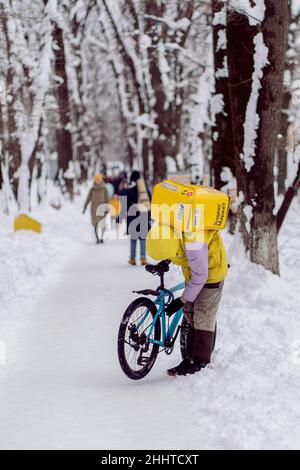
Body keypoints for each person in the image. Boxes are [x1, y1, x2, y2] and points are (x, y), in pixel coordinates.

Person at [147, 223, 228, 377]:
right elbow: (175, 251)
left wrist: (181, 300)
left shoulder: (193, 243)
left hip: (211, 274)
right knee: (189, 312)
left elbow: (201, 276)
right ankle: (190, 359)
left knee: (202, 315)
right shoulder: (171, 231)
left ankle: (199, 362)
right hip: (194, 272)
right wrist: (166, 260)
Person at [127, 170, 151, 266]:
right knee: (143, 238)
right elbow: (150, 201)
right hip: (144, 216)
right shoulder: (145, 190)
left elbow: (126, 204)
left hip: (133, 217)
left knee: (133, 238)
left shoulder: (130, 190)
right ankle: (143, 258)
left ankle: (132, 259)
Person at [83, 173, 110, 244]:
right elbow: (88, 198)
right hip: (94, 209)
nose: (97, 181)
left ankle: (101, 237)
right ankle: (97, 238)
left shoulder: (104, 189)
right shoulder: (92, 189)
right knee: (95, 224)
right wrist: (85, 207)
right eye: (96, 179)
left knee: (102, 224)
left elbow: (108, 199)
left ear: (101, 180)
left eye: (99, 179)